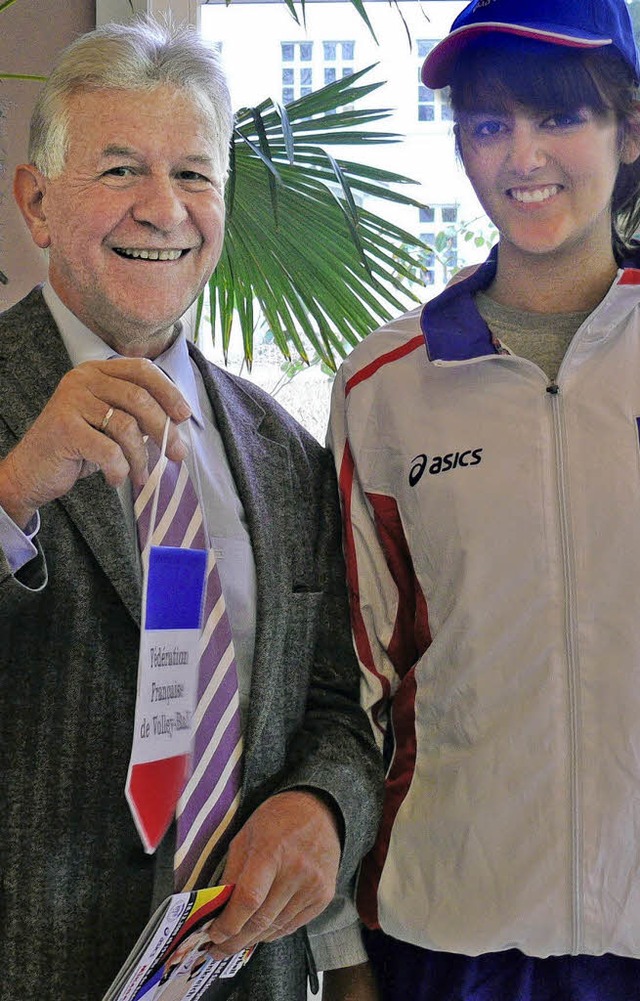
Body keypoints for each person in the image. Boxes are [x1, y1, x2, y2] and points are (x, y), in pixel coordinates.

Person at [0, 18, 382, 1001]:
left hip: (237, 971)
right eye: (120, 168)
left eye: (195, 175)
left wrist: (321, 807)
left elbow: (335, 708)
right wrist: (10, 490)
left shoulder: (284, 449)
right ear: (36, 202)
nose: (162, 207)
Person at [328, 0, 640, 998]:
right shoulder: (386, 385)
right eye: (487, 122)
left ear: (629, 130)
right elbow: (346, 683)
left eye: (558, 117)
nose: (522, 155)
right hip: (446, 933)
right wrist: (338, 947)